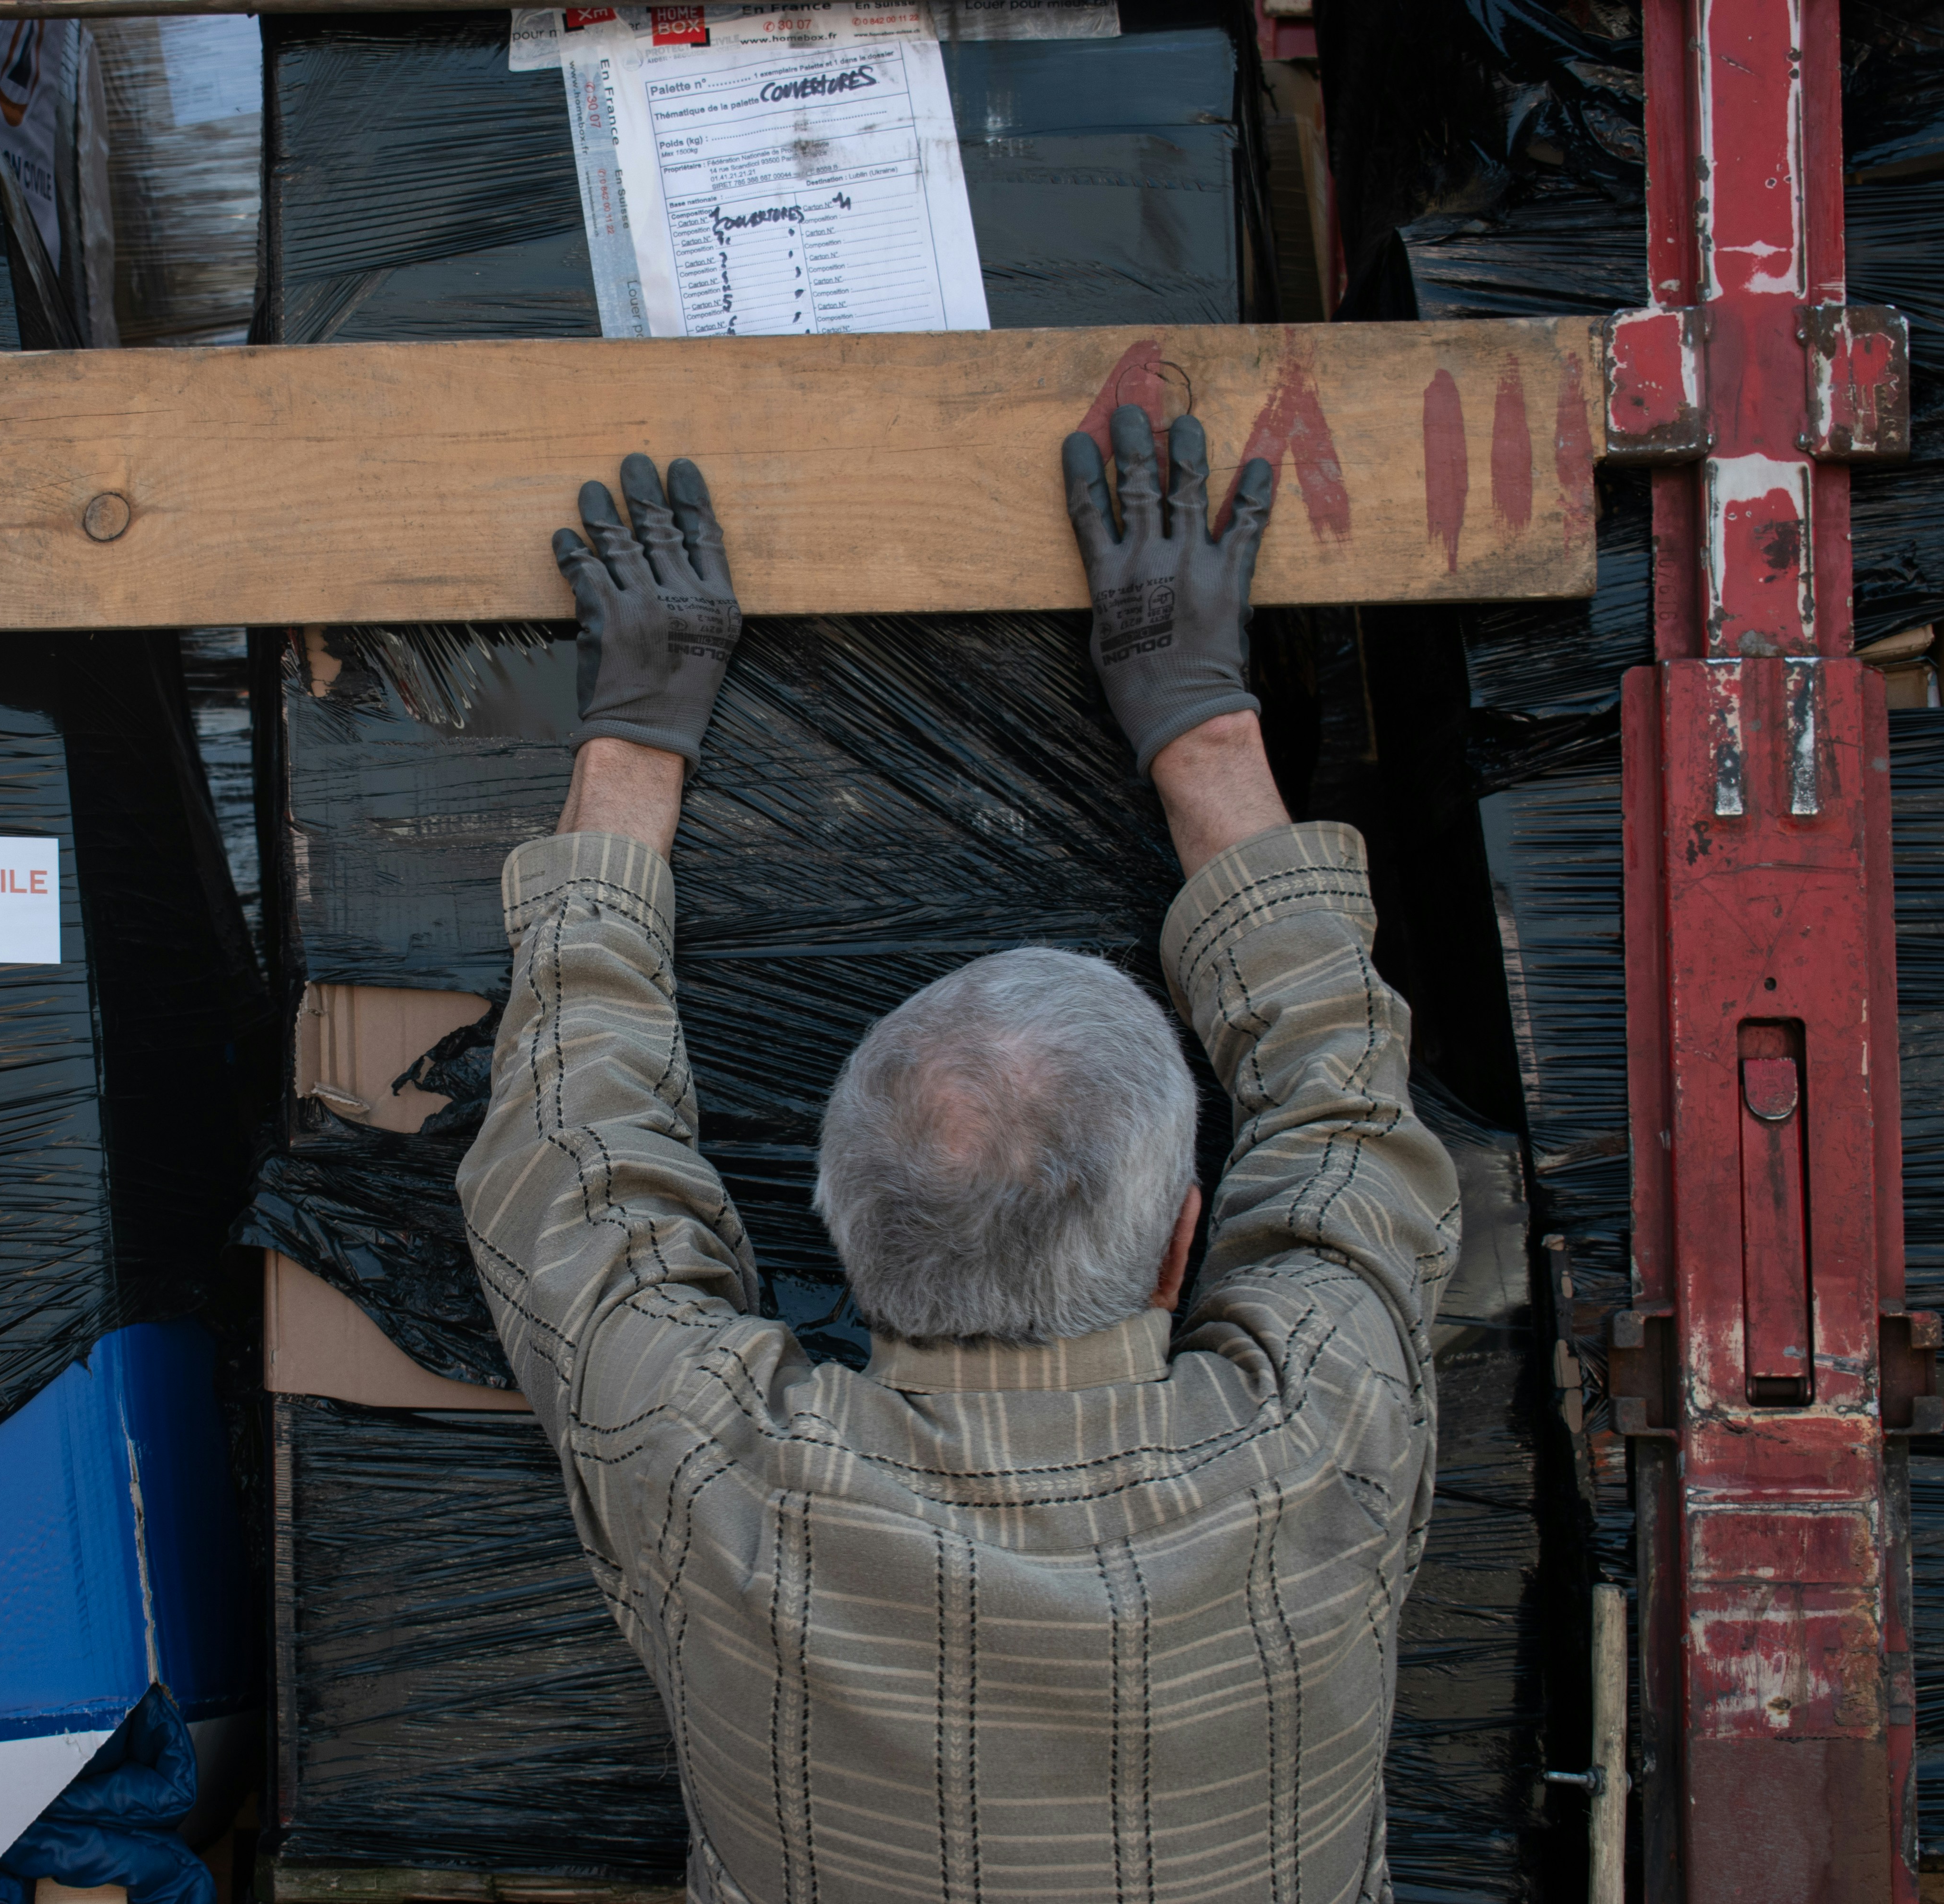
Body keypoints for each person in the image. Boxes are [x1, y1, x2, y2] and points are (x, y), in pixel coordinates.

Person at [454, 407, 1460, 1904]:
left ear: (840, 1241)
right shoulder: (1326, 1432)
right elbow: (1344, 1110)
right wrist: (1200, 717)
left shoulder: (710, 1475)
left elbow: (571, 1159)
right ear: (1186, 1240)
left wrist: (641, 730)